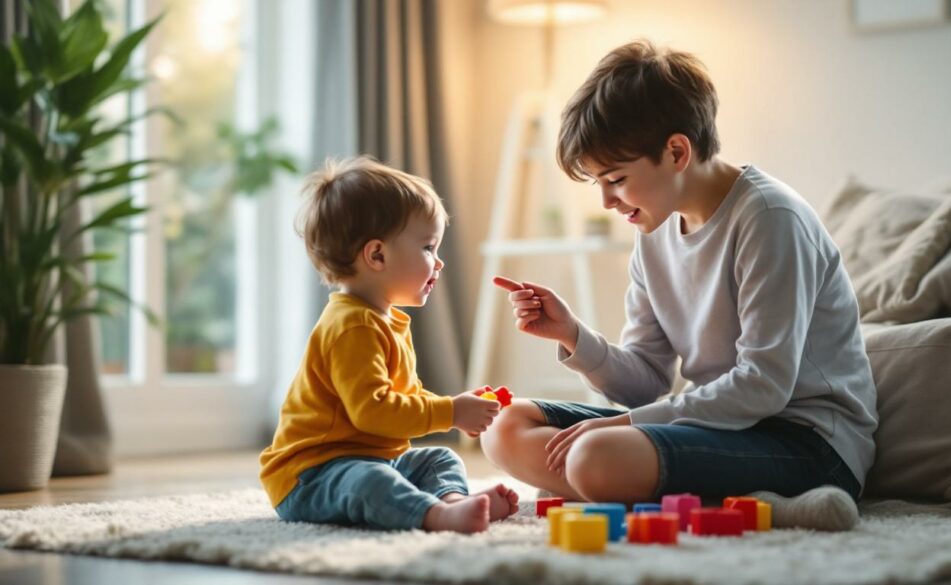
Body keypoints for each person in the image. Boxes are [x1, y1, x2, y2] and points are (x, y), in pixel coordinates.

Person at [481, 40, 877, 528]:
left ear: (675, 151)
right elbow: (647, 382)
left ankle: (778, 505)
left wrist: (622, 427)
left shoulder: (771, 219)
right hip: (715, 428)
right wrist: (573, 336)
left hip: (806, 442)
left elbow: (763, 386)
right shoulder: (654, 229)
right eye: (597, 183)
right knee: (503, 426)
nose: (606, 200)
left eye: (616, 178)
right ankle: (708, 496)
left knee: (594, 454)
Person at [260, 156, 518, 533]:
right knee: (370, 484)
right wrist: (449, 412)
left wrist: (460, 407)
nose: (439, 263)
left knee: (438, 459)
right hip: (311, 476)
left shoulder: (386, 320)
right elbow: (373, 412)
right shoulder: (352, 326)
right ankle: (436, 516)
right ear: (377, 255)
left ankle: (454, 500)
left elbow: (403, 398)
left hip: (373, 459)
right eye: (429, 248)